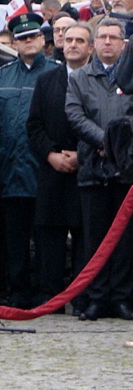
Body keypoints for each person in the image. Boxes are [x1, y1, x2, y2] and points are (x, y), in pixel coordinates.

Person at [65, 18, 133, 321]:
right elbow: (74, 114)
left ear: (123, 43)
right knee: (95, 238)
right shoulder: (79, 78)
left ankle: (122, 297)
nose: (107, 42)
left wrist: (120, 140)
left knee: (125, 238)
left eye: (113, 37)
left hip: (127, 167)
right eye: (102, 36)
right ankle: (96, 298)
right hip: (93, 166)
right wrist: (104, 139)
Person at [0, 13, 57, 309]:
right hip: (11, 170)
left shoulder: (58, 73)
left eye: (33, 36)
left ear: (43, 40)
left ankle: (48, 292)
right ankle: (18, 291)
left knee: (47, 236)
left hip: (46, 170)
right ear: (14, 43)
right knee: (14, 237)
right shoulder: (1, 76)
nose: (28, 42)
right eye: (22, 38)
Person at [28, 22, 90, 314]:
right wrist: (52, 155)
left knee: (85, 237)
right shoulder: (46, 80)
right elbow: (34, 125)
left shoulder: (98, 79)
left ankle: (82, 297)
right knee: (50, 237)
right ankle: (51, 297)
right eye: (69, 39)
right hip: (52, 170)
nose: (73, 44)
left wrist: (82, 155)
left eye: (80, 40)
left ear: (90, 48)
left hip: (88, 170)